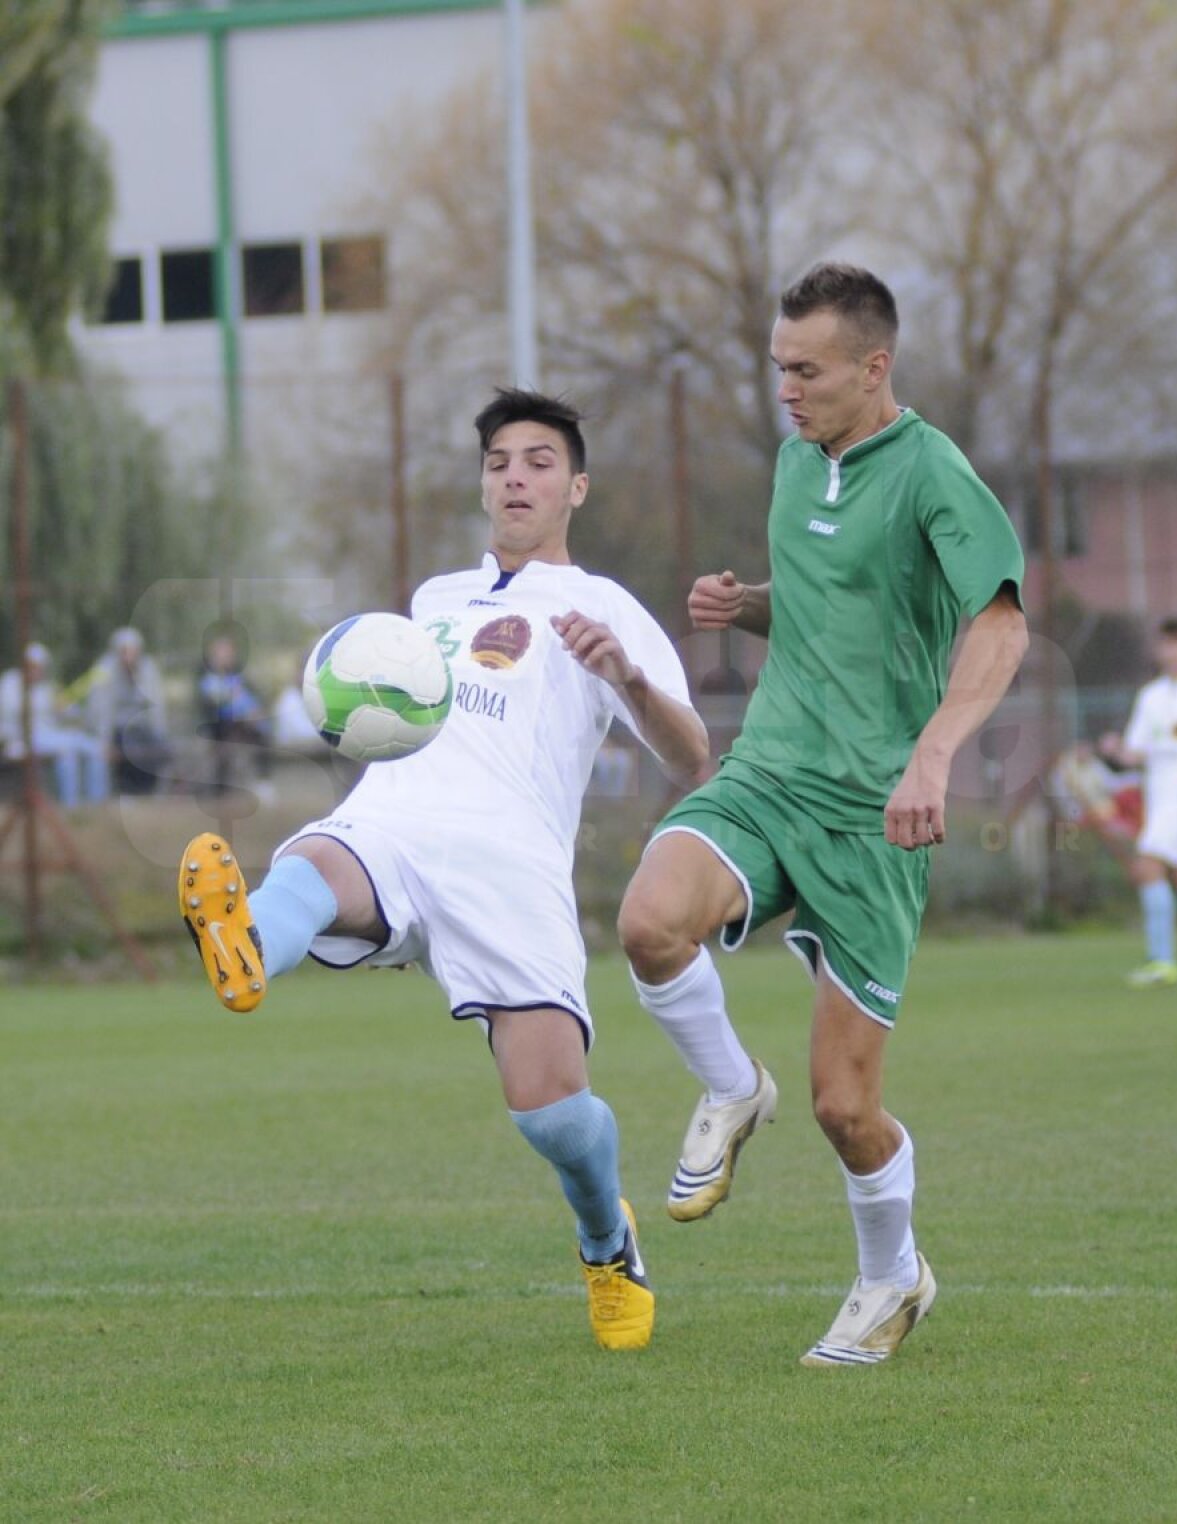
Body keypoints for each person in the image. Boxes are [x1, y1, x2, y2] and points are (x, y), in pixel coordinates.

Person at [178, 388, 709, 1351]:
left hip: (509, 865)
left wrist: (625, 676)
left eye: (540, 461)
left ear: (576, 487)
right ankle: (247, 937)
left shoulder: (604, 607)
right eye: (500, 460)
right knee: (317, 860)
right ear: (482, 482)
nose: (516, 475)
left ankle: (605, 1241)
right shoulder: (431, 602)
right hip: (396, 818)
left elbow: (691, 758)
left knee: (555, 1120)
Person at [617, 263, 1028, 1367]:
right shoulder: (801, 462)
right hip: (774, 773)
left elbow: (998, 631)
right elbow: (822, 607)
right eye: (777, 369)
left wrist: (933, 760)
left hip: (874, 816)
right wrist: (746, 606)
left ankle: (893, 1279)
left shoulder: (935, 476)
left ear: (874, 368)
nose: (785, 392)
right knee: (649, 921)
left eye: (807, 371)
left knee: (845, 1110)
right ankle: (728, 1086)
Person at [1096, 616, 1177, 987]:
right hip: (1161, 793)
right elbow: (1136, 753)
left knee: (1148, 864)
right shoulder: (1151, 695)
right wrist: (1113, 752)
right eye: (1167, 643)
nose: (1173, 651)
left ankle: (1161, 960)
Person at [0, 643, 109, 808]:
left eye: (40, 668)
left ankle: (96, 803)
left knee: (96, 749)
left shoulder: (47, 688)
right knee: (66, 753)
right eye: (32, 667)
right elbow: (13, 711)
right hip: (22, 738)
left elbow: (71, 712)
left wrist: (66, 708)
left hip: (50, 736)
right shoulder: (10, 683)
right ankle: (70, 805)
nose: (36, 671)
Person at [85, 627, 172, 796]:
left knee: (159, 749)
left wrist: (160, 732)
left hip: (142, 726)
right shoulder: (104, 670)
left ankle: (149, 790)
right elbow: (100, 710)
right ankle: (127, 790)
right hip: (117, 728)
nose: (129, 657)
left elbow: (157, 706)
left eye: (133, 651)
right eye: (125, 652)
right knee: (128, 748)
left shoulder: (148, 669)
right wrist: (103, 740)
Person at [195, 629, 272, 796]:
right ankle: (220, 791)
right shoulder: (206, 678)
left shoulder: (239, 677)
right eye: (222, 653)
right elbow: (209, 707)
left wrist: (255, 712)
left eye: (229, 653)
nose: (226, 657)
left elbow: (252, 699)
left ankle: (263, 781)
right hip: (218, 726)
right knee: (224, 743)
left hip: (245, 723)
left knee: (261, 732)